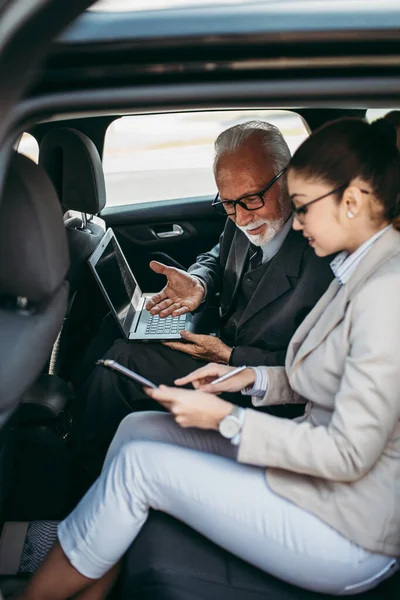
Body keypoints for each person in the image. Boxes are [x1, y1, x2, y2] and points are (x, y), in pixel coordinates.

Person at [18, 116, 400, 600]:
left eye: (303, 207)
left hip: (347, 522)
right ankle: (92, 586)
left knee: (141, 468)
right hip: (310, 463)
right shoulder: (358, 268)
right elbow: (322, 376)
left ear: (351, 203)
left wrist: (227, 416)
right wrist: (246, 377)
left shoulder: (383, 289)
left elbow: (348, 453)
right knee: (135, 431)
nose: (298, 224)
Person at [71, 120, 334, 480]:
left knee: (117, 365)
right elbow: (216, 254)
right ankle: (70, 421)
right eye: (229, 203)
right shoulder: (240, 214)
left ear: (288, 177)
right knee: (116, 327)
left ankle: (75, 480)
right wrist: (200, 282)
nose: (242, 218)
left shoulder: (324, 256)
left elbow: (314, 370)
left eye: (252, 199)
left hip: (258, 391)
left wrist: (227, 356)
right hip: (220, 343)